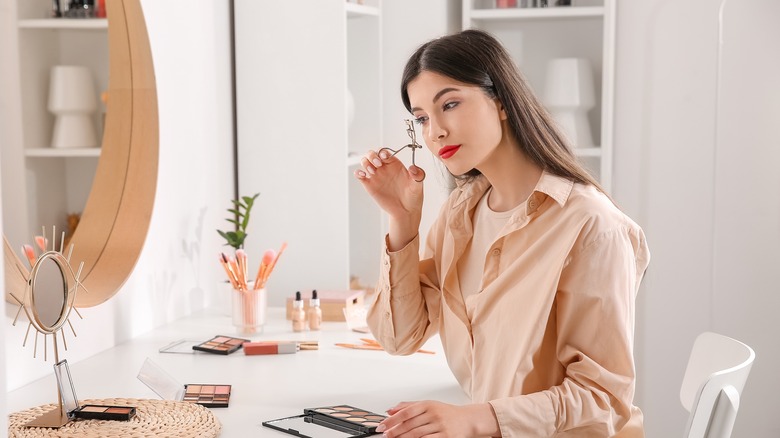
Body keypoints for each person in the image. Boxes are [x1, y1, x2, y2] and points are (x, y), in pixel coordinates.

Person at [354, 29, 650, 437]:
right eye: (422, 118)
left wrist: (473, 418)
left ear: (502, 102)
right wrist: (403, 222)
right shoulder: (462, 213)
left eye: (450, 104)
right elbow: (400, 337)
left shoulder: (592, 226)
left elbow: (604, 399)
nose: (435, 132)